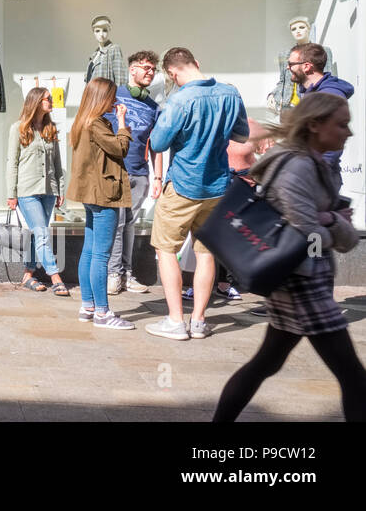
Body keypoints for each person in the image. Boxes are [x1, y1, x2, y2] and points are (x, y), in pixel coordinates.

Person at [214, 92, 365, 421]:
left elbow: (317, 227)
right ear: (315, 124)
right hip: (303, 280)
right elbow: (307, 235)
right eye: (341, 125)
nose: (348, 133)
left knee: (266, 363)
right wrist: (333, 224)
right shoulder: (297, 166)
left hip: (302, 277)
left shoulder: (311, 162)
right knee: (354, 376)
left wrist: (328, 222)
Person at [146, 47, 249, 341]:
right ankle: (199, 321)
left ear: (172, 73)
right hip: (217, 186)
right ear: (197, 64)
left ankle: (176, 321)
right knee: (206, 254)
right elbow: (241, 136)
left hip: (182, 185)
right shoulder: (230, 94)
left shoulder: (179, 100)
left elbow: (159, 141)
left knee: (166, 250)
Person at [67, 77, 134, 329]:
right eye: (112, 97)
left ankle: (88, 306)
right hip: (104, 193)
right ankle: (103, 313)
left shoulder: (82, 122)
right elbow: (120, 148)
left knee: (90, 250)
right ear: (101, 98)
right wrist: (123, 123)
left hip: (91, 194)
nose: (115, 102)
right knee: (101, 255)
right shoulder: (96, 124)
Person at [106, 51, 163, 295]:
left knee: (129, 223)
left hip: (140, 173)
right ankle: (113, 274)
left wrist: (158, 176)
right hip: (115, 170)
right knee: (117, 224)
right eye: (145, 67)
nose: (149, 72)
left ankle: (126, 274)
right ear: (132, 69)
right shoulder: (114, 95)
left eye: (153, 69)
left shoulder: (153, 106)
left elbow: (156, 145)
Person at [5, 87, 69, 295]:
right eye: (46, 99)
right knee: (41, 232)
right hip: (27, 190)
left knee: (36, 233)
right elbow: (12, 163)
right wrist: (11, 193)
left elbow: (58, 163)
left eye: (50, 99)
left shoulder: (51, 129)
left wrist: (60, 189)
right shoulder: (19, 128)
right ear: (35, 102)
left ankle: (27, 274)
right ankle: (55, 276)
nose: (50, 102)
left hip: (48, 190)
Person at [285, 43, 354, 173]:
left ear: (306, 66)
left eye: (291, 64)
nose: (288, 68)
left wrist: (315, 172)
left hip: (319, 177)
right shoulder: (310, 93)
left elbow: (333, 144)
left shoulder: (329, 95)